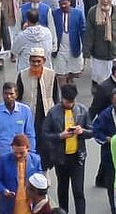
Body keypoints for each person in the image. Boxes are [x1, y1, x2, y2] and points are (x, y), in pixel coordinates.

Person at [43, 82, 92, 214]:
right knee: (63, 189)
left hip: (78, 157)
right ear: (61, 98)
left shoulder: (82, 110)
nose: (70, 104)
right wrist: (60, 136)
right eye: (67, 101)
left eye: (72, 101)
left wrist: (82, 132)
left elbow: (92, 131)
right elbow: (45, 134)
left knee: (78, 191)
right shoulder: (53, 113)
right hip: (61, 158)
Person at [0, 133, 45, 214]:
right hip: (9, 205)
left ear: (28, 148)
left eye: (21, 153)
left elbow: (40, 180)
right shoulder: (4, 160)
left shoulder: (36, 160)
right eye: (15, 152)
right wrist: (4, 190)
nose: (18, 155)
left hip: (29, 204)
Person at [0, 82, 39, 149]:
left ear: (16, 95)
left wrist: (31, 152)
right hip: (2, 154)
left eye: (11, 94)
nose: (8, 96)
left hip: (21, 153)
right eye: (6, 94)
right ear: (2, 95)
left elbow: (30, 135)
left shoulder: (25, 110)